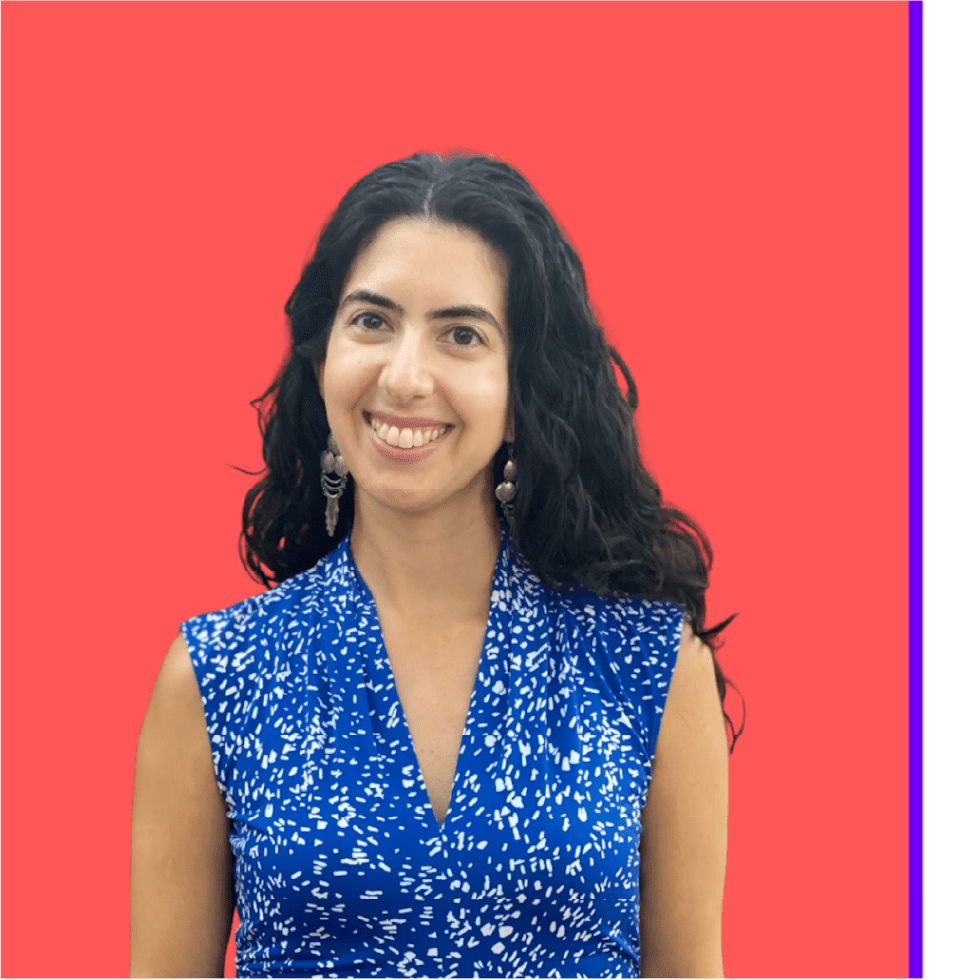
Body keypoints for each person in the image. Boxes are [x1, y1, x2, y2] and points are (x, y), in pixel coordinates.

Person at [129, 153, 731, 979]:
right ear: (320, 361)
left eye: (461, 335)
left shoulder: (650, 667)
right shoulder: (216, 676)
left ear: (525, 390)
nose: (405, 377)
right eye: (372, 322)